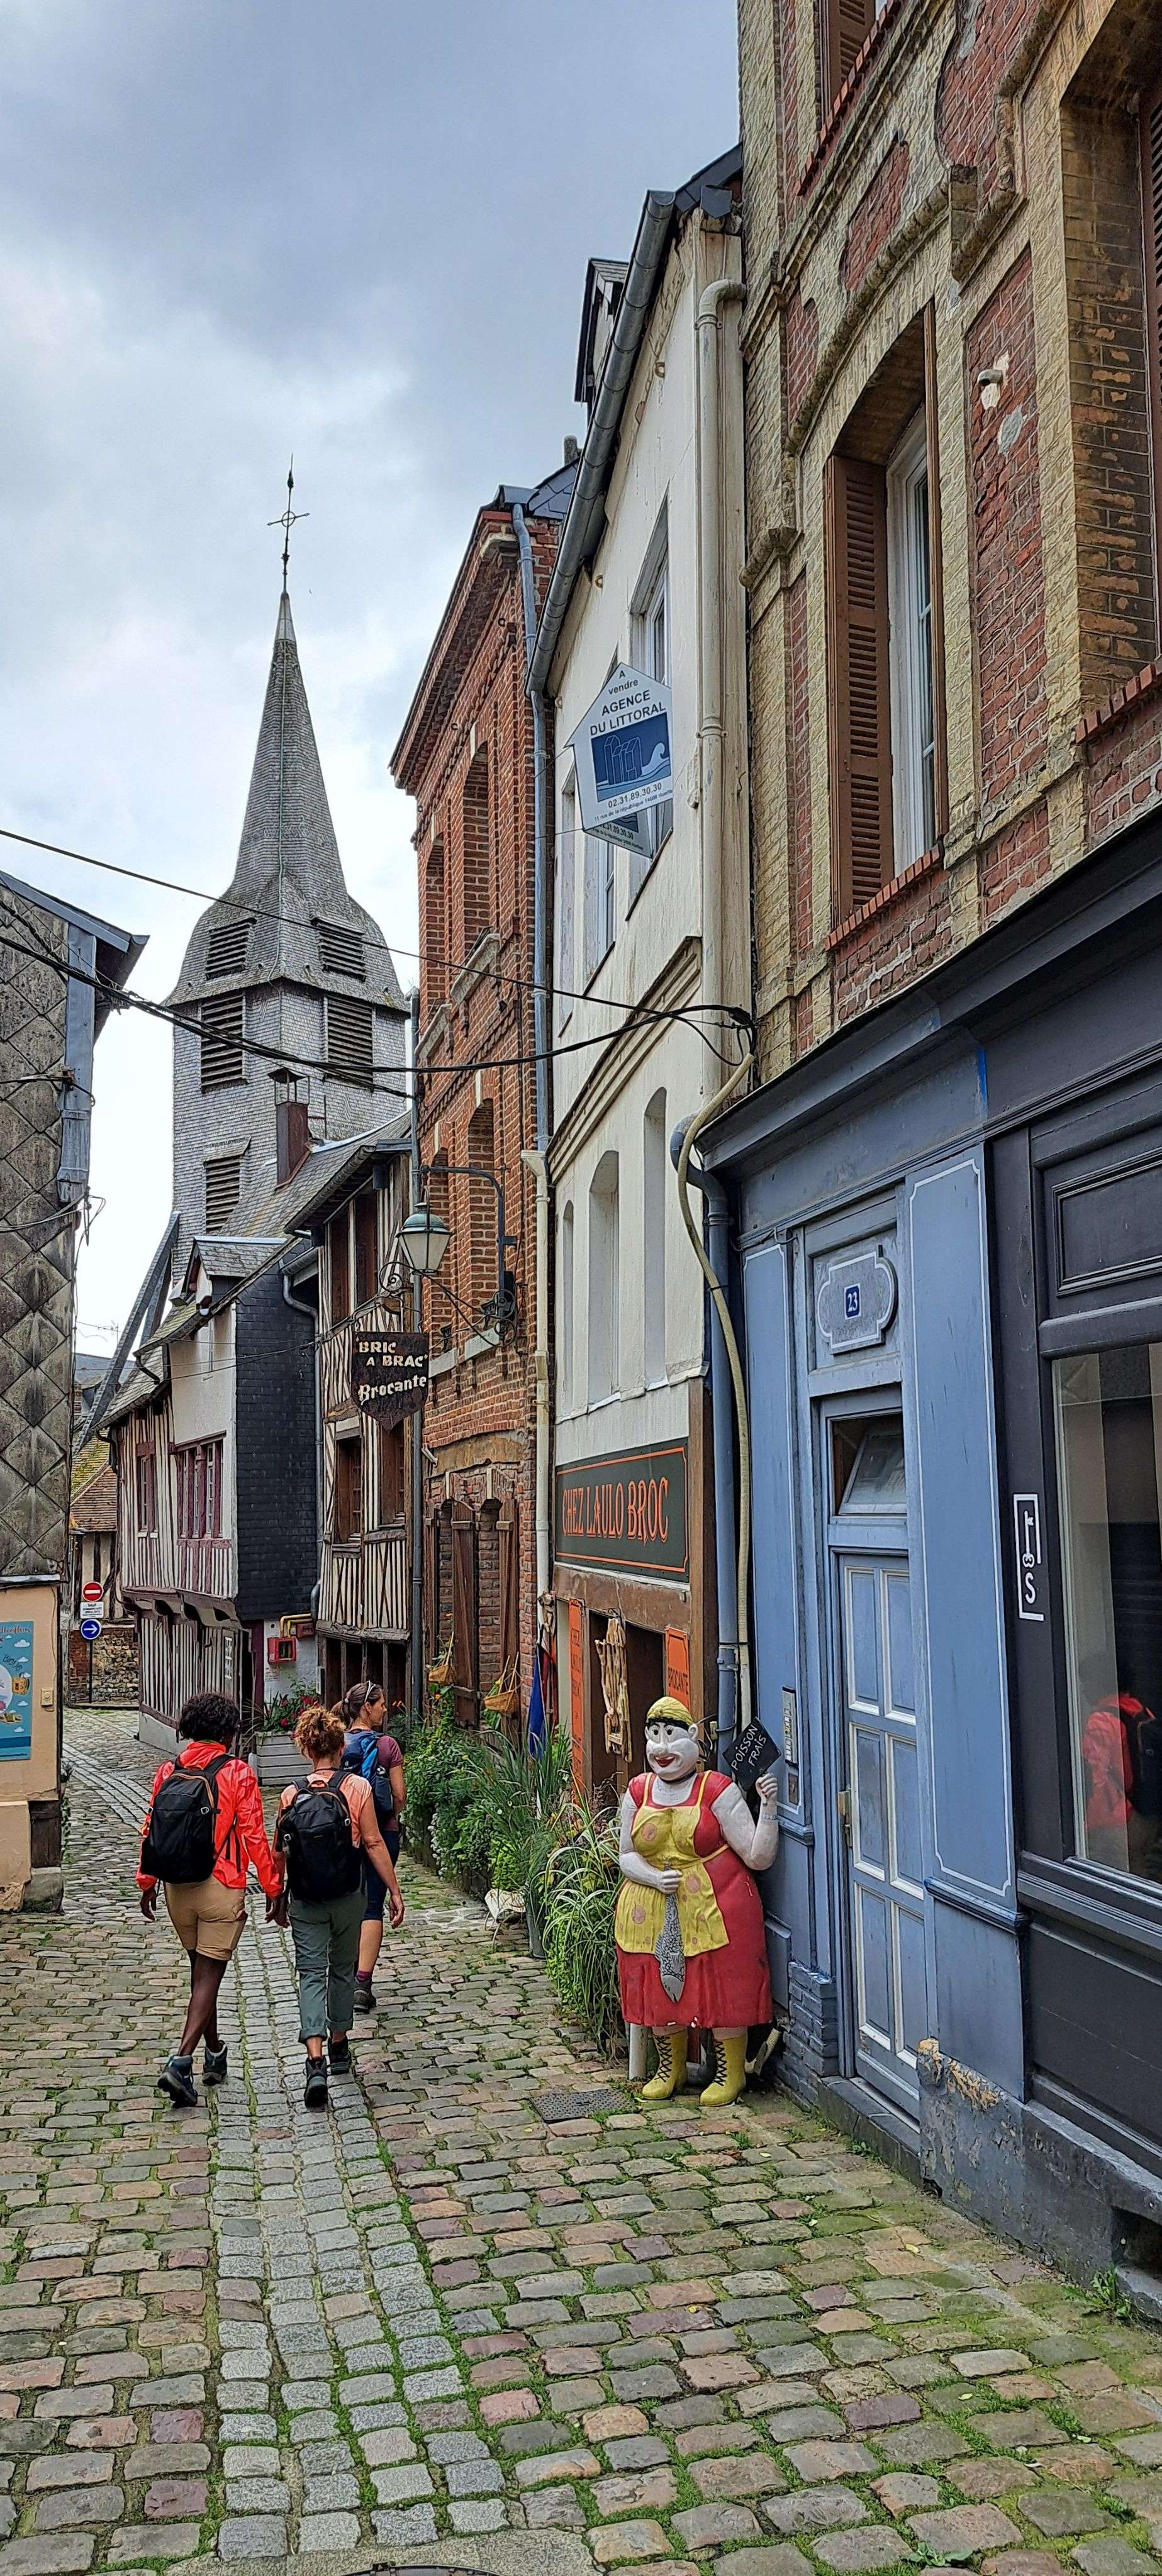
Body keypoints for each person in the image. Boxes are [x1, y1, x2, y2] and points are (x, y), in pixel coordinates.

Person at [615, 1696, 779, 2109]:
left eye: (671, 1736)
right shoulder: (638, 1790)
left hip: (717, 1905)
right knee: (658, 1983)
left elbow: (757, 1856)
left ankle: (730, 2071)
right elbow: (626, 1854)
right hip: (653, 1906)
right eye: (654, 1737)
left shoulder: (717, 1790)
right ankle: (669, 2068)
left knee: (721, 1984)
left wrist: (769, 1809)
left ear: (691, 1737)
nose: (662, 1748)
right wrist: (653, 1878)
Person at [138, 1688, 284, 2107]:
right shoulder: (237, 1773)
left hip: (177, 1889)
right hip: (221, 1885)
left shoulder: (168, 1771)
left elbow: (151, 1829)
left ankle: (215, 2052)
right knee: (208, 1977)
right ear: (227, 1732)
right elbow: (254, 1836)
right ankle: (180, 2062)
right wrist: (273, 1888)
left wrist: (146, 1882)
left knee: (202, 1975)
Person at [276, 1702, 405, 2107]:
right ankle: (339, 2043)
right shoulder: (357, 1788)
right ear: (340, 1746)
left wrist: (276, 1896)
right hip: (349, 1894)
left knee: (310, 1973)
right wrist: (394, 1890)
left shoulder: (291, 1794)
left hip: (306, 1897)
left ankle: (314, 2060)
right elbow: (373, 1842)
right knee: (342, 1969)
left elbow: (279, 1852)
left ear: (306, 1748)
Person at [339, 1679, 406, 2015]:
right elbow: (400, 1795)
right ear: (367, 1707)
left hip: (344, 1836)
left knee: (348, 1902)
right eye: (380, 1705)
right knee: (373, 1905)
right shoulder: (387, 1745)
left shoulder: (337, 1742)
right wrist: (389, 1816)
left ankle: (346, 1971)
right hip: (383, 1831)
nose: (384, 1710)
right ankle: (362, 1984)